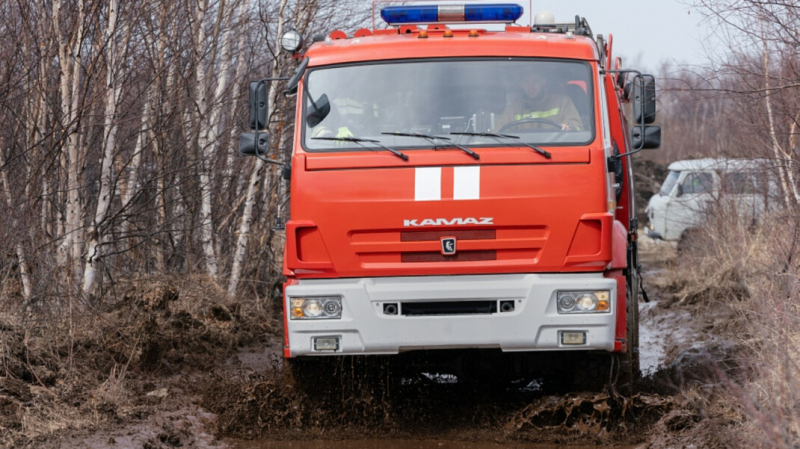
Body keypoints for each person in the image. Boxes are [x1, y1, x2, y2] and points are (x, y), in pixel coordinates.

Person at [494, 70, 583, 132]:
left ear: (543, 82)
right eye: (526, 82)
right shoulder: (513, 109)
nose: (531, 86)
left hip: (554, 153)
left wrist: (569, 126)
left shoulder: (562, 102)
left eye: (535, 81)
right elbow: (498, 133)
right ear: (521, 85)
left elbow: (577, 127)